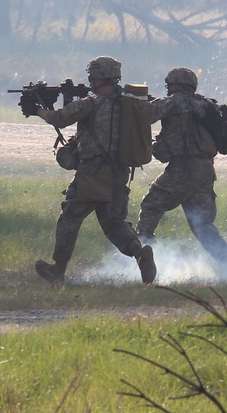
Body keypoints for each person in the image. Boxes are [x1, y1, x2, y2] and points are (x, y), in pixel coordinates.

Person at [27, 56, 156, 286]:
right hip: (119, 172)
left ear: (96, 78)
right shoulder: (127, 104)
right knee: (113, 222)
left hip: (92, 173)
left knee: (70, 218)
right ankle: (139, 253)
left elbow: (59, 118)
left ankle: (57, 270)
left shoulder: (90, 103)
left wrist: (37, 109)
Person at [136, 67, 227, 279]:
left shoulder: (173, 102)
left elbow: (145, 115)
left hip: (183, 169)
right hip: (206, 170)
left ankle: (140, 252)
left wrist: (131, 103)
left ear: (175, 85)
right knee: (201, 224)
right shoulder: (206, 104)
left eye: (169, 85)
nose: (167, 89)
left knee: (151, 205)